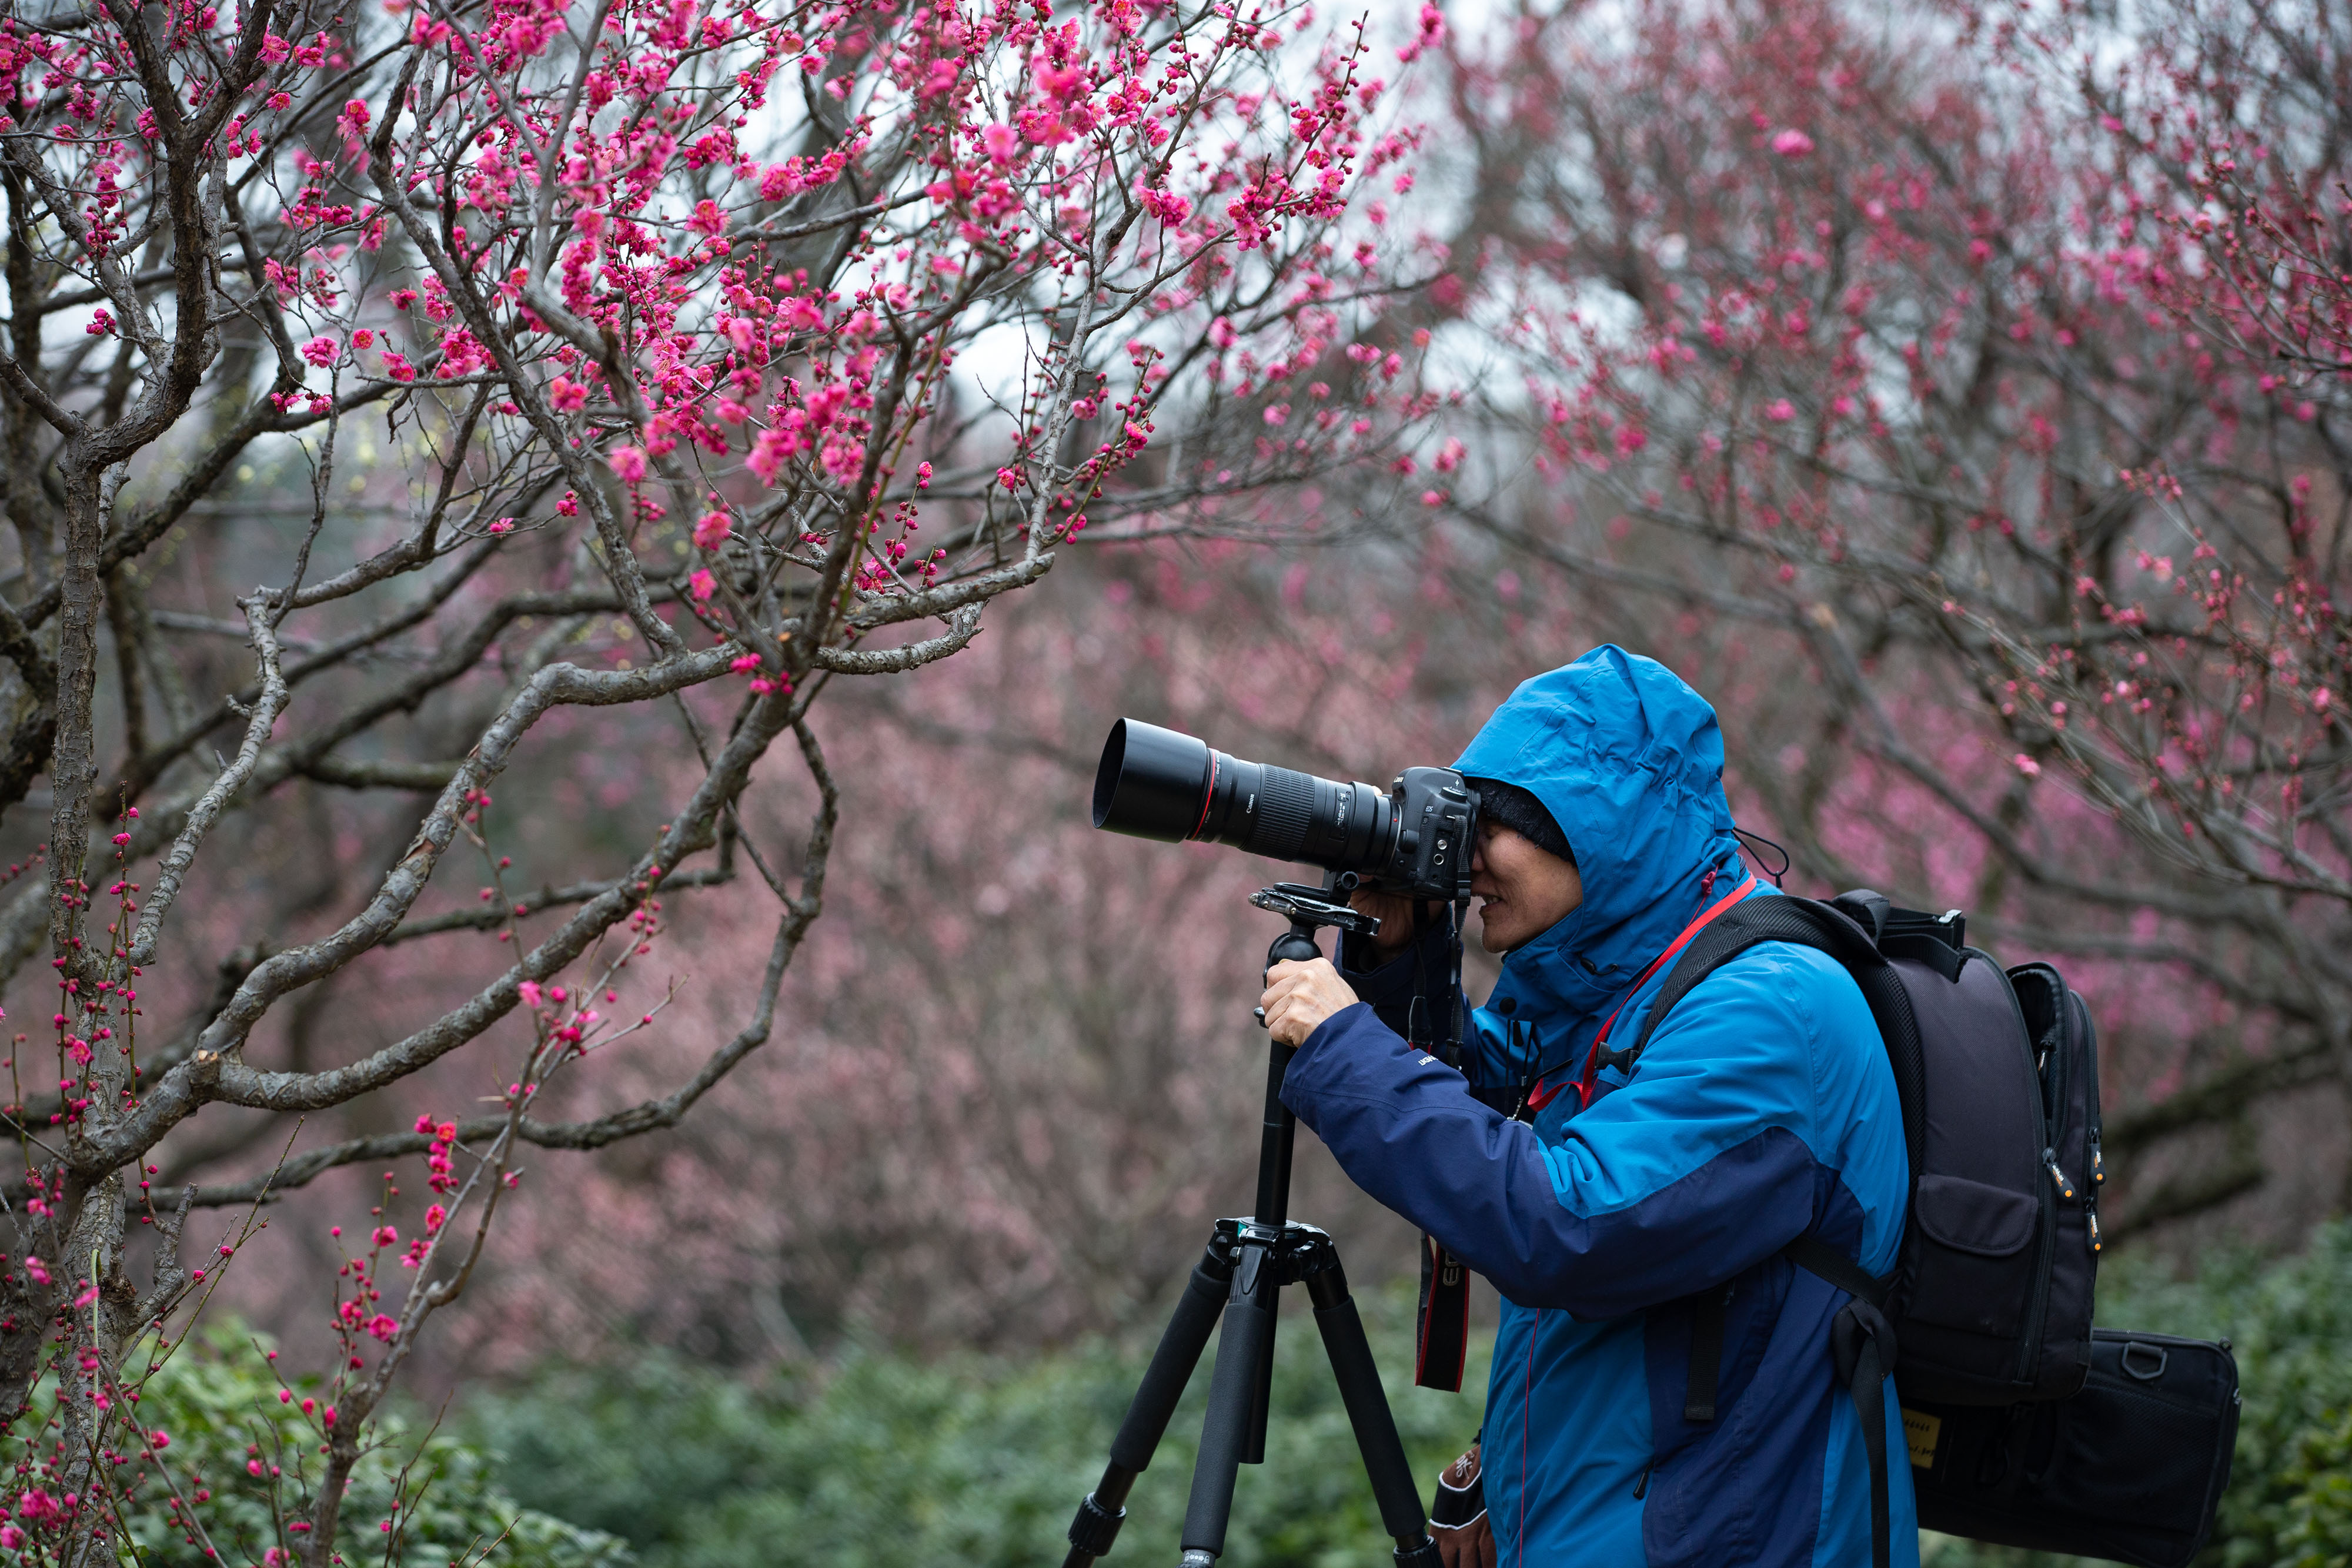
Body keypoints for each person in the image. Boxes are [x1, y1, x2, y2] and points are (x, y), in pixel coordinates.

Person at [1256, 646, 1916, 1568]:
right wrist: (1394, 964)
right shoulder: (1616, 988)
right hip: (1610, 1519)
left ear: (1597, 825)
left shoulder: (1770, 1010)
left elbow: (1570, 1226)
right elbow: (1481, 1091)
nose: (1467, 864)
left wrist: (1343, 1047)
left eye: (1490, 832)